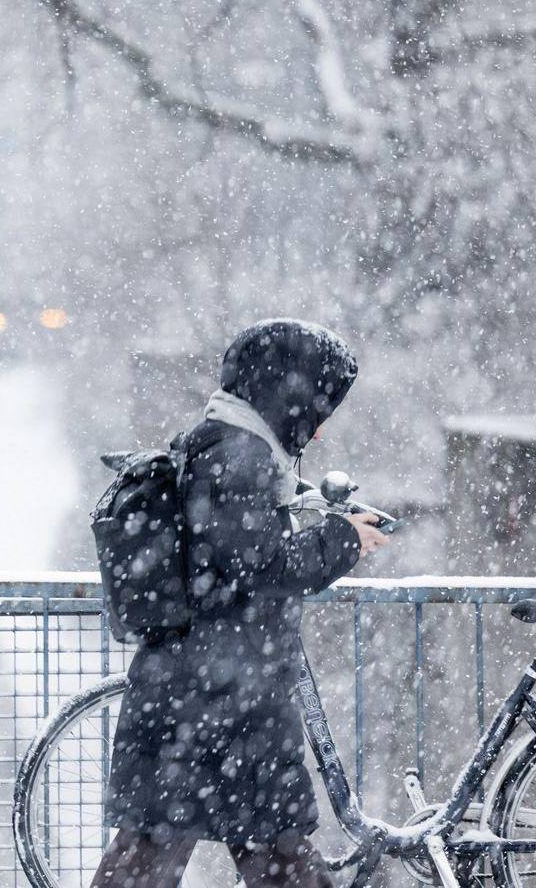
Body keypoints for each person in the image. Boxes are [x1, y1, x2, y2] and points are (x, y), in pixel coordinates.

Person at [93, 319, 392, 888]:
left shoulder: (222, 443)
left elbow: (236, 549)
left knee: (162, 852)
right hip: (224, 699)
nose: (318, 430)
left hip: (200, 691)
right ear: (288, 394)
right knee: (265, 854)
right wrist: (343, 539)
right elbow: (261, 564)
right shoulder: (239, 456)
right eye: (317, 408)